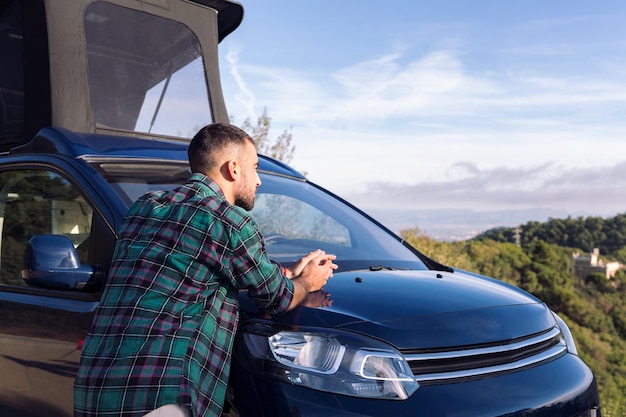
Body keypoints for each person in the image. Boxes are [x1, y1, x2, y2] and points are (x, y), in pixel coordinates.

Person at [74, 123, 337, 417]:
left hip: (97, 393)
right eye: (255, 167)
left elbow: (196, 265)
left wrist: (287, 272)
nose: (259, 180)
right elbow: (278, 298)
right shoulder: (229, 221)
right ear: (234, 169)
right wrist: (308, 281)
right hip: (163, 398)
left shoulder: (144, 208)